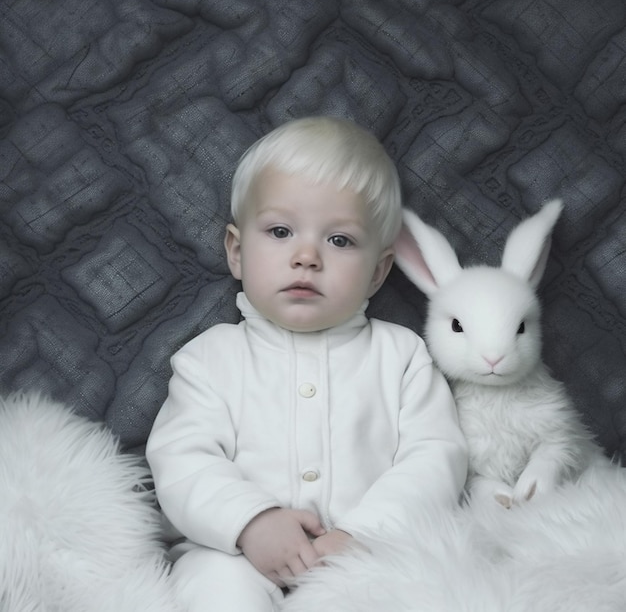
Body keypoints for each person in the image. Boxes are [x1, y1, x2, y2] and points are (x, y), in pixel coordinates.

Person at [146, 116, 468, 611]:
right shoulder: (209, 359)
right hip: (235, 556)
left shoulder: (401, 356)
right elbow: (181, 460)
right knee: (213, 588)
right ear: (236, 251)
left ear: (378, 272)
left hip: (367, 556)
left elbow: (435, 459)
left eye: (339, 240)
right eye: (280, 231)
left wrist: (363, 535)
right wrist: (250, 520)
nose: (306, 257)